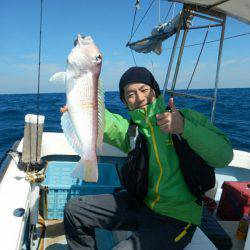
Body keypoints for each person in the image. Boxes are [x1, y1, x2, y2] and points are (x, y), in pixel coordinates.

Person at [63, 66, 233, 250]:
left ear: (155, 91)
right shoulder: (133, 130)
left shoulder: (186, 118)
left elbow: (224, 156)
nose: (139, 97)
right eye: (130, 94)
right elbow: (108, 123)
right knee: (74, 210)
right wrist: (80, 109)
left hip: (177, 218)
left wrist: (184, 127)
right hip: (141, 203)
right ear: (125, 102)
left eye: (144, 90)